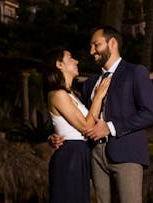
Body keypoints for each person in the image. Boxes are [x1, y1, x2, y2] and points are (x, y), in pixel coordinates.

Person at [52, 26, 153, 203]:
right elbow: (78, 117)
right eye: (91, 46)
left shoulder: (135, 72)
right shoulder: (90, 83)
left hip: (126, 152)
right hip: (94, 155)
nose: (91, 51)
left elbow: (150, 113)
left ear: (112, 43)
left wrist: (110, 128)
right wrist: (55, 135)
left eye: (96, 45)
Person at [43, 48, 111, 203]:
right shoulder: (57, 94)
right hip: (70, 155)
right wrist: (98, 96)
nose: (77, 61)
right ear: (59, 64)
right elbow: (86, 126)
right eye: (71, 57)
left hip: (80, 153)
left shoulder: (72, 95)